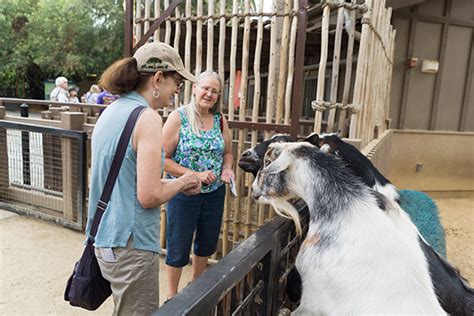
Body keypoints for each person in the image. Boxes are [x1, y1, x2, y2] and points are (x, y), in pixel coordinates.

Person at [84, 41, 201, 315]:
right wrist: (184, 181)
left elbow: (129, 183)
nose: (176, 92)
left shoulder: (112, 110)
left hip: (104, 238)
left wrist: (175, 183)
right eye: (177, 83)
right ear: (158, 79)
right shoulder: (147, 118)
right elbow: (148, 196)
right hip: (131, 246)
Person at [162, 71, 235, 300]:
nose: (209, 94)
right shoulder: (179, 117)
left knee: (206, 241)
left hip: (214, 194)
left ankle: (195, 287)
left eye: (215, 91)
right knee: (178, 244)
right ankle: (172, 296)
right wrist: (194, 175)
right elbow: (163, 160)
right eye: (205, 88)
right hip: (183, 193)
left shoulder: (219, 120)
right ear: (194, 89)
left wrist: (227, 169)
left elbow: (229, 153)